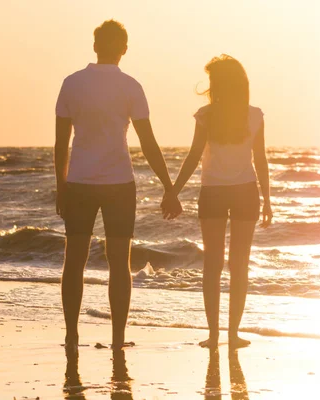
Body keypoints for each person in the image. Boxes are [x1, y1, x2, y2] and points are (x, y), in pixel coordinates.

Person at [54, 20, 181, 356]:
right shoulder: (130, 86)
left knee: (75, 260)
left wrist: (60, 186)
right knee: (119, 263)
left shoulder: (72, 83)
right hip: (118, 184)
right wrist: (169, 186)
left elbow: (60, 143)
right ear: (123, 48)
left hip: (79, 182)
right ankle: (116, 338)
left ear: (95, 46)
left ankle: (71, 335)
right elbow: (148, 142)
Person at [162, 55, 273, 349]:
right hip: (244, 191)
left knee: (213, 264)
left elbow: (194, 156)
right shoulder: (253, 115)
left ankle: (214, 336)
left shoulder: (208, 115)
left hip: (214, 191)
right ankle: (232, 335)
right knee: (239, 265)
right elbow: (259, 161)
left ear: (222, 84)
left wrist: (174, 190)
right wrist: (267, 199)